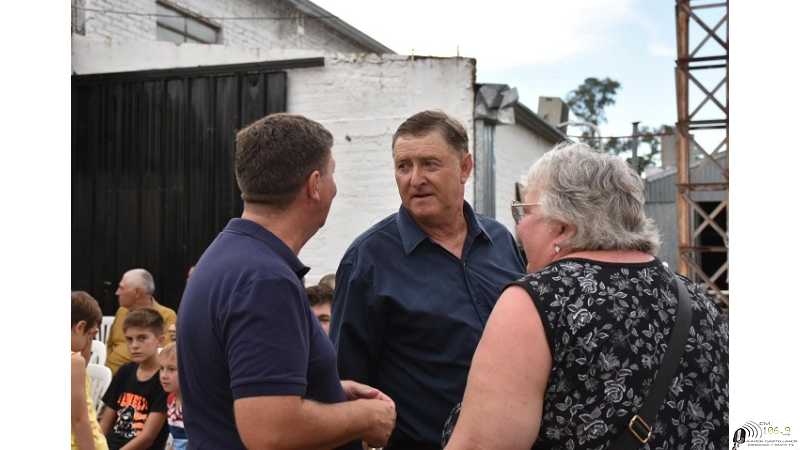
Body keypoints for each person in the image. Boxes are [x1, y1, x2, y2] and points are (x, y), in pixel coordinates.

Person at [442, 143, 729, 449]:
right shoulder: (699, 300)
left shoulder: (537, 302)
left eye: (524, 211)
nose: (519, 225)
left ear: (563, 228)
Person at [178, 113, 396, 450]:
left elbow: (242, 389)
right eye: (331, 173)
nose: (335, 187)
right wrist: (366, 417)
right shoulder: (265, 281)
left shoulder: (226, 257)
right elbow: (271, 432)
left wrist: (329, 392)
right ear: (314, 186)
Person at [331, 110, 526, 450]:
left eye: (430, 164)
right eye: (403, 166)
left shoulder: (501, 242)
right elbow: (344, 380)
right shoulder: (368, 259)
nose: (414, 179)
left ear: (465, 168)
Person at [100, 309, 169, 450]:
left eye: (142, 338)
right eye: (129, 340)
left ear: (160, 340)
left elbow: (147, 438)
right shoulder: (125, 371)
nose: (134, 345)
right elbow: (105, 423)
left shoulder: (165, 379)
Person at [105, 268, 177, 376]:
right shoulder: (121, 312)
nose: (117, 292)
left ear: (137, 292)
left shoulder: (167, 316)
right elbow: (110, 344)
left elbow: (164, 354)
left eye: (121, 288)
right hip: (110, 375)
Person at [71, 291, 109, 450]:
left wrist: (84, 338)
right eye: (92, 335)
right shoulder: (73, 363)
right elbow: (79, 420)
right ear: (80, 327)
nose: (90, 343)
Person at [158, 343, 187, 450]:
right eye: (161, 368)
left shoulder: (194, 405)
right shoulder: (171, 399)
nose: (164, 375)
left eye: (171, 369)